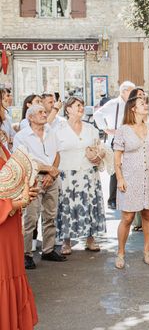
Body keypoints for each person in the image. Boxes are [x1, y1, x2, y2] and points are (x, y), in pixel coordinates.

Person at [113, 93, 149, 269]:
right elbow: (117, 158)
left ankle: (147, 250)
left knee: (148, 214)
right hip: (130, 178)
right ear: (133, 108)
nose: (145, 105)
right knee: (128, 217)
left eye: (146, 102)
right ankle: (121, 252)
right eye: (141, 103)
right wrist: (120, 178)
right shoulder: (123, 130)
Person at [13, 104, 65, 269]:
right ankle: (26, 254)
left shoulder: (51, 132)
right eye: (41, 112)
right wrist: (48, 169)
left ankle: (48, 250)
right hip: (33, 180)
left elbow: (57, 154)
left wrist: (51, 174)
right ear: (31, 117)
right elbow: (24, 160)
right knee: (30, 218)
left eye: (44, 111)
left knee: (50, 215)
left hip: (51, 179)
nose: (45, 114)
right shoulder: (21, 136)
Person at [56, 97, 106, 254]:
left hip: (88, 172)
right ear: (68, 109)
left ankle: (90, 239)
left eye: (83, 105)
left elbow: (99, 147)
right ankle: (66, 241)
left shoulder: (90, 128)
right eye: (77, 105)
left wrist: (99, 156)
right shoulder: (59, 129)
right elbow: (54, 152)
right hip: (67, 174)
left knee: (90, 204)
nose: (81, 108)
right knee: (67, 206)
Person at [0, 142, 39, 329]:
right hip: (3, 225)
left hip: (10, 227)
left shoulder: (1, 143)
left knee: (11, 277)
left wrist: (27, 191)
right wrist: (16, 203)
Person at [94, 81, 136, 210]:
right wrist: (106, 129)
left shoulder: (132, 104)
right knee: (115, 169)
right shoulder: (113, 103)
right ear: (123, 91)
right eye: (131, 91)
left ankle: (129, 197)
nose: (133, 94)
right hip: (116, 140)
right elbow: (97, 114)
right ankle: (112, 199)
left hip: (131, 139)